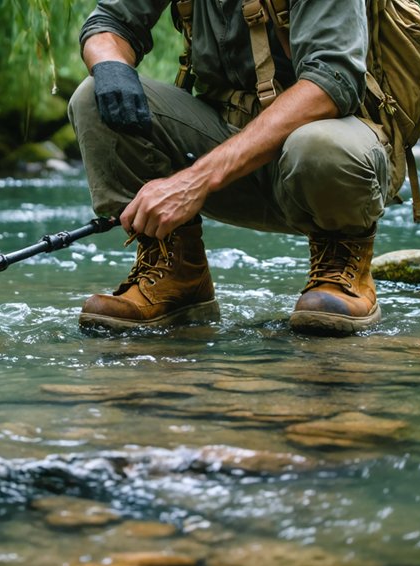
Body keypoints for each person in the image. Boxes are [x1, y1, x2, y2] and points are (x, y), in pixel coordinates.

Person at [68, 0, 391, 336]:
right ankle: (177, 272)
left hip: (328, 159)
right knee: (93, 95)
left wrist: (195, 181)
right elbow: (109, 21)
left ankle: (341, 263)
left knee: (320, 144)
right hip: (221, 141)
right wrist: (110, 65)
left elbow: (332, 82)